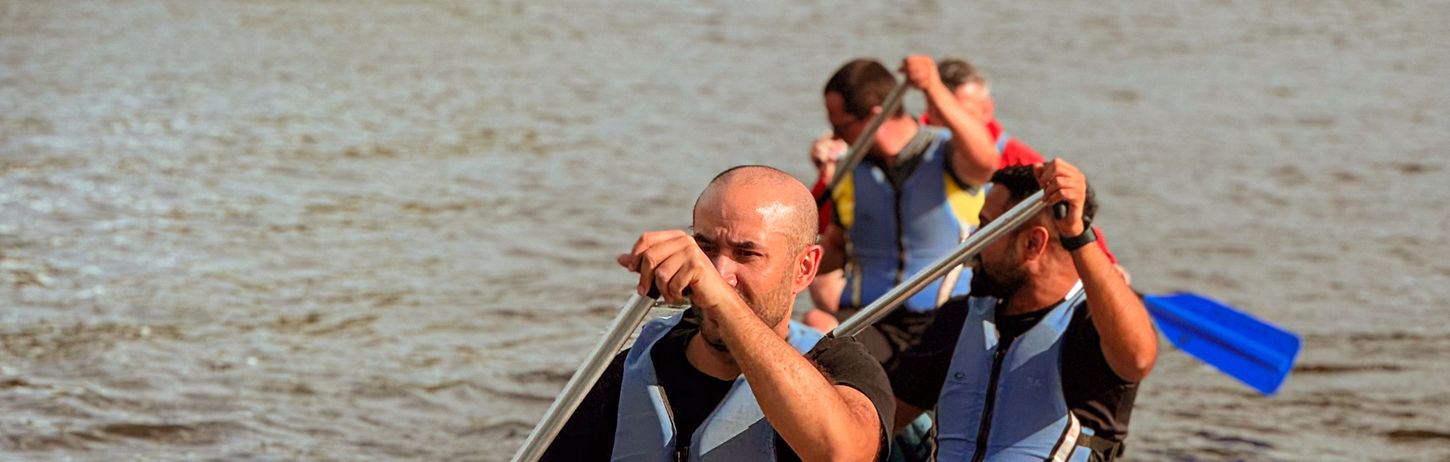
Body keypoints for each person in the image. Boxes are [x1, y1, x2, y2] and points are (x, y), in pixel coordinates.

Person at [541, 166, 894, 461]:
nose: (719, 273)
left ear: (804, 269)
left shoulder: (842, 369)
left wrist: (723, 302)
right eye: (705, 248)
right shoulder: (630, 371)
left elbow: (842, 454)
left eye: (746, 254)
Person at [887, 161, 1158, 461]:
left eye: (986, 227)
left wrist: (1077, 234)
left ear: (1032, 243)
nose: (971, 241)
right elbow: (888, 417)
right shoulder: (959, 318)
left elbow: (1138, 358)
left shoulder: (1092, 327)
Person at [803, 56, 1002, 365]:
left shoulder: (947, 153)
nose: (837, 137)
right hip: (869, 319)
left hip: (944, 320)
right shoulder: (850, 172)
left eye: (841, 126)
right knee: (815, 323)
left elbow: (987, 162)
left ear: (875, 117)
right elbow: (837, 248)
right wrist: (786, 267)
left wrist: (933, 86)